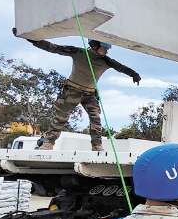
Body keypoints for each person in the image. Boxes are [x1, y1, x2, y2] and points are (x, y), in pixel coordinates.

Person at [13, 28, 141, 152]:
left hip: (90, 93)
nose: (106, 51)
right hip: (72, 90)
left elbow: (121, 67)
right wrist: (30, 38)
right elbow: (54, 48)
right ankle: (48, 143)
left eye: (107, 49)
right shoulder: (78, 53)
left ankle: (97, 146)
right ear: (95, 45)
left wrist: (134, 74)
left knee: (95, 119)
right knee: (61, 118)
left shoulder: (107, 61)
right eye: (104, 48)